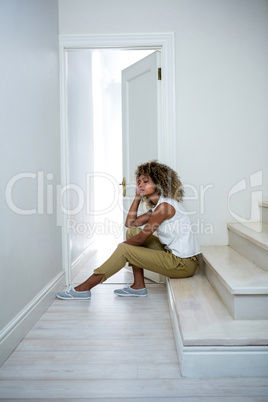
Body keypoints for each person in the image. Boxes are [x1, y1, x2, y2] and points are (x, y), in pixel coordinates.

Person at [56, 161, 201, 300]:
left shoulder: (164, 207)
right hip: (175, 257)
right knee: (133, 233)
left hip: (182, 264)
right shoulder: (159, 207)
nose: (141, 185)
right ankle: (138, 286)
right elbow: (130, 224)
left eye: (146, 181)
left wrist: (122, 247)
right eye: (139, 182)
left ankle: (84, 288)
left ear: (159, 183)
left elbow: (141, 240)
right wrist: (137, 196)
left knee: (126, 248)